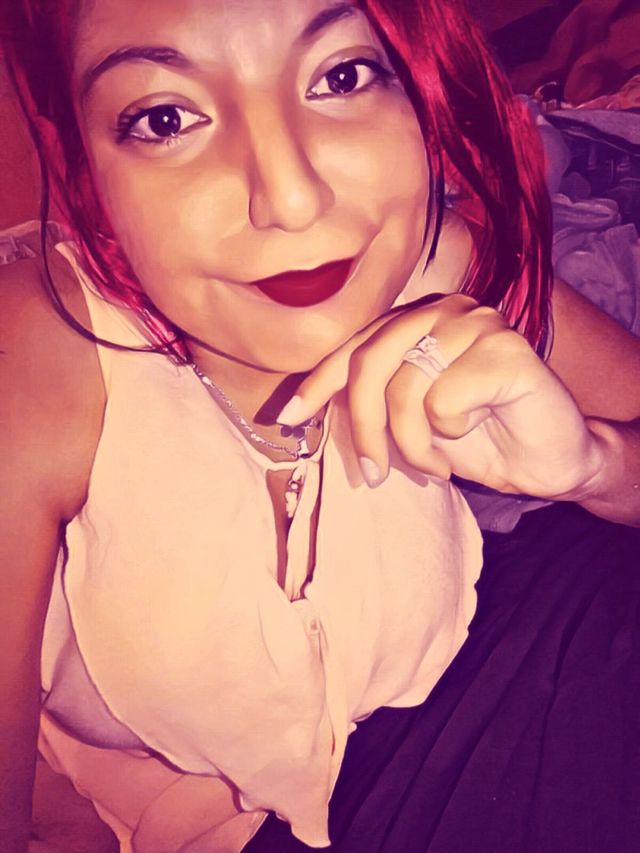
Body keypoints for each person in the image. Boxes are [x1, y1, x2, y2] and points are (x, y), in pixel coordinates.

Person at [1, 1, 639, 851]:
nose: (293, 200)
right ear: (82, 157)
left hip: (489, 680)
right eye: (165, 119)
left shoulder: (434, 260)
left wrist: (595, 464)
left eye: (342, 76)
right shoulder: (38, 353)